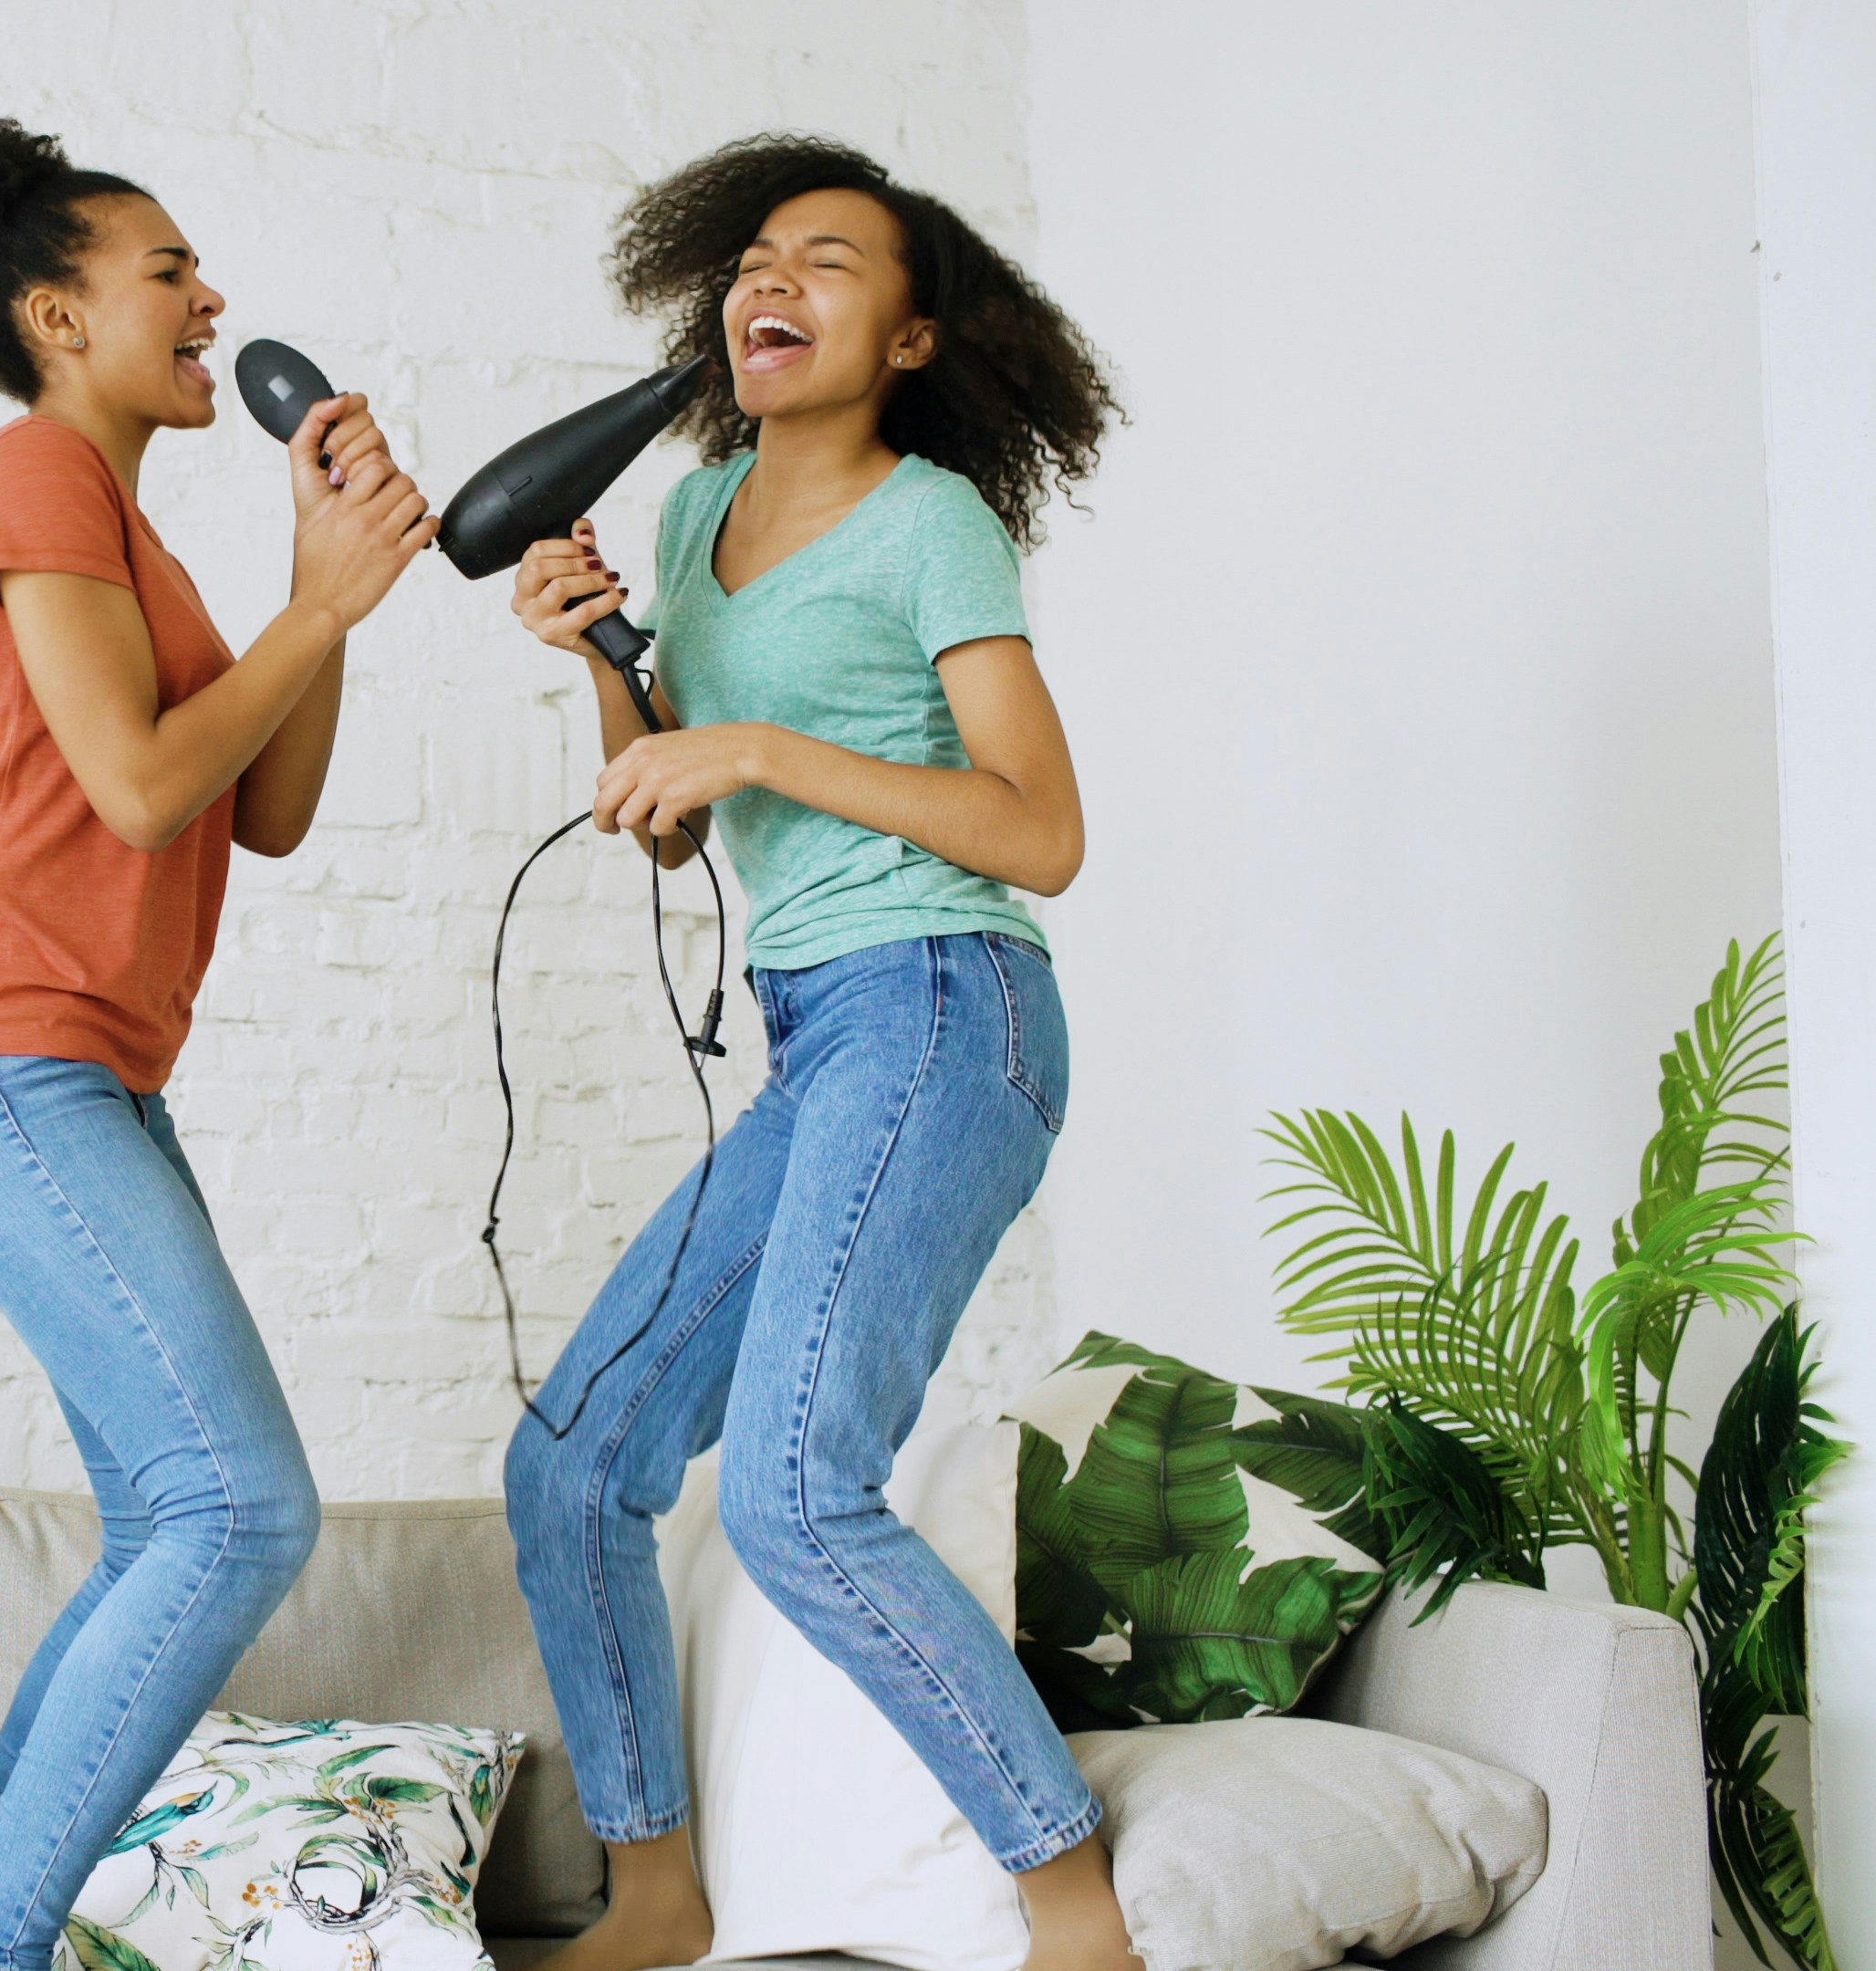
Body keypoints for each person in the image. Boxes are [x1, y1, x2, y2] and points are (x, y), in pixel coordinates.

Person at [499, 133, 1130, 1971]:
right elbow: (674, 821)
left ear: (915, 341)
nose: (775, 278)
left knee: (790, 1488)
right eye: (758, 255)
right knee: (571, 1461)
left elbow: (1040, 832)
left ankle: (1075, 1911)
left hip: (945, 1005)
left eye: (831, 261)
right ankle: (653, 1895)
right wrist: (605, 665)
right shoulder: (694, 521)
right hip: (816, 1032)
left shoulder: (934, 522)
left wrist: (760, 748)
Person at [0, 116, 439, 1971]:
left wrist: (318, 576)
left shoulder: (134, 539)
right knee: (239, 1512)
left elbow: (258, 808)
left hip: (88, 1076)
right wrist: (316, 606)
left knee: (165, 1527)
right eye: (169, 273)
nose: (213, 302)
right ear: (55, 316)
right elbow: (134, 788)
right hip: (3, 1062)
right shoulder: (32, 471)